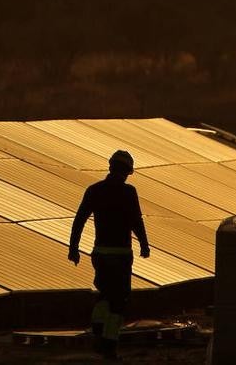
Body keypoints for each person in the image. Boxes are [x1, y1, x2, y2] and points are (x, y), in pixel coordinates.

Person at [68, 149, 150, 360]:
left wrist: (73, 248)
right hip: (121, 254)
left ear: (111, 167)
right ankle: (109, 345)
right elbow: (136, 221)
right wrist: (144, 244)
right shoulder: (128, 192)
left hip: (100, 254)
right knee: (119, 301)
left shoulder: (94, 190)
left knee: (105, 294)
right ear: (126, 171)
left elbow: (79, 219)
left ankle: (97, 330)